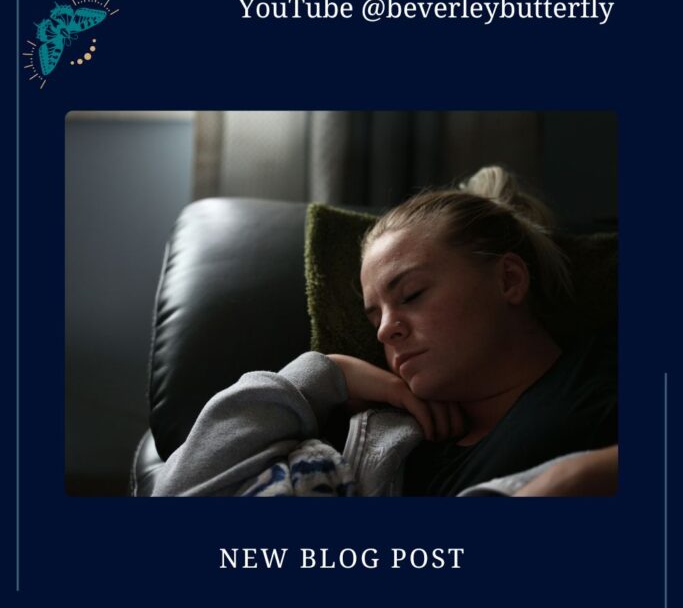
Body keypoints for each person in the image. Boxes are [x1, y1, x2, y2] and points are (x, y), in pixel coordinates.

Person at [150, 166, 617, 497]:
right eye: (374, 317)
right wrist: (329, 373)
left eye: (411, 295)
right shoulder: (381, 438)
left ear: (509, 280)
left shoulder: (606, 375)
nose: (385, 331)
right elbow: (177, 492)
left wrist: (575, 480)